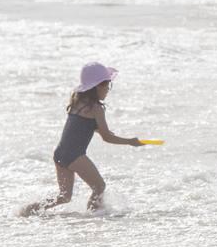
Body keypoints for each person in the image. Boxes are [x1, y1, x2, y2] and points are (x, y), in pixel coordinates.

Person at [22, 62, 143, 216]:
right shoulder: (96, 109)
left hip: (60, 154)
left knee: (64, 197)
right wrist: (130, 141)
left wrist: (99, 129)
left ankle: (27, 211)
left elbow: (81, 127)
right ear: (97, 86)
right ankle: (94, 216)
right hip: (74, 155)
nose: (108, 90)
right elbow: (106, 137)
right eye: (107, 85)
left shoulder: (77, 103)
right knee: (99, 186)